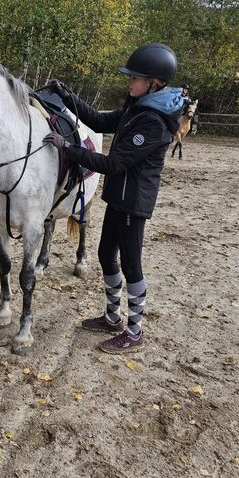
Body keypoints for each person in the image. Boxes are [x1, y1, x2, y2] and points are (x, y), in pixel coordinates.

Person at [43, 43, 186, 355]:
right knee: (106, 253)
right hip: (119, 198)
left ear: (154, 83)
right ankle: (112, 318)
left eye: (134, 78)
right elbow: (99, 121)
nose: (129, 82)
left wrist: (66, 148)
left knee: (132, 265)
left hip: (133, 202)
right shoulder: (139, 107)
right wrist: (68, 97)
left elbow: (113, 164)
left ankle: (134, 333)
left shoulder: (152, 121)